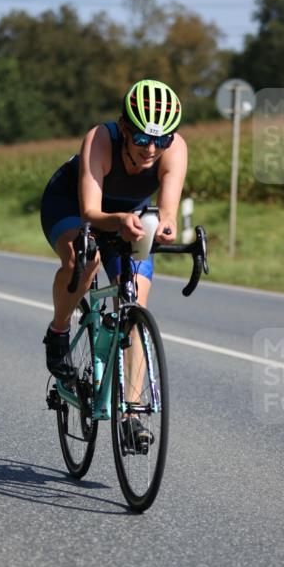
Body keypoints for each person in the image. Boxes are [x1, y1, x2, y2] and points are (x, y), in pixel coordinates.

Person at [40, 78, 188, 382]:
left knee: (134, 303)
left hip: (129, 215)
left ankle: (132, 416)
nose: (151, 149)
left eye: (161, 141)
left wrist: (166, 226)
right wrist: (120, 221)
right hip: (70, 204)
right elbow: (90, 213)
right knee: (83, 260)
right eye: (142, 138)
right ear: (124, 128)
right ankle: (58, 331)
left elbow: (168, 211)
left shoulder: (176, 149)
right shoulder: (100, 139)